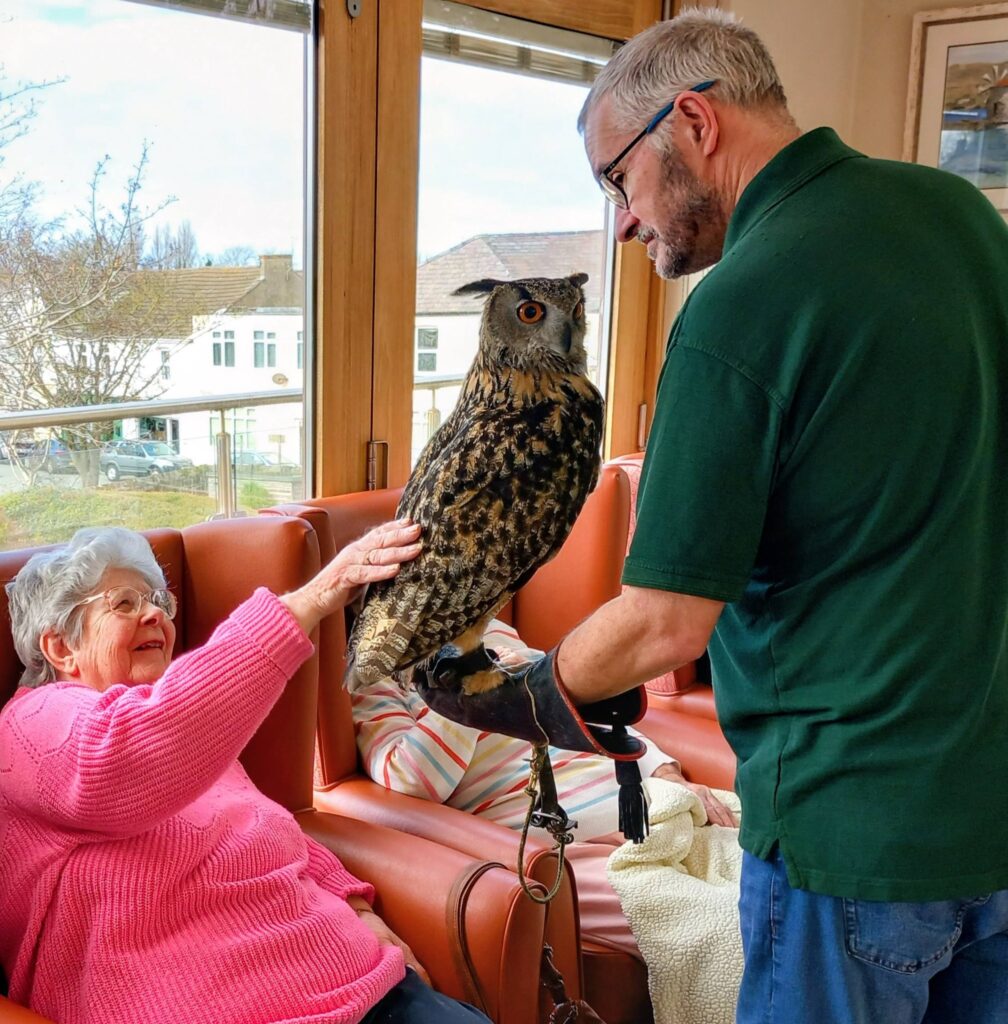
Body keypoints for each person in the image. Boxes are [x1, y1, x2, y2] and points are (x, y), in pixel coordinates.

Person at [420, 9, 1008, 1024]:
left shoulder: (741, 304)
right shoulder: (960, 217)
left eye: (617, 179)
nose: (622, 221)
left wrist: (528, 693)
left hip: (851, 838)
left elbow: (665, 619)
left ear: (692, 121)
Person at [0, 523, 490, 1024]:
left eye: (157, 601)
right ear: (60, 648)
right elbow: (126, 759)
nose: (154, 614)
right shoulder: (32, 723)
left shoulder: (191, 734)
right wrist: (312, 600)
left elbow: (261, 826)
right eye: (123, 604)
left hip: (368, 989)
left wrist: (358, 907)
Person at [353, 617, 737, 960]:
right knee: (733, 930)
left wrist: (664, 771)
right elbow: (409, 782)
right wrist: (472, 692)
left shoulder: (494, 629)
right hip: (563, 845)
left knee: (784, 884)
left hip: (646, 802)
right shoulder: (377, 675)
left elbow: (586, 714)